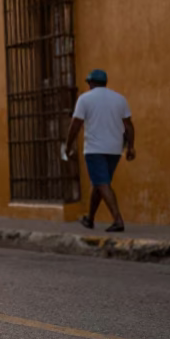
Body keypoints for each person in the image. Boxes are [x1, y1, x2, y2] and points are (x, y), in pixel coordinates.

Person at [64, 69, 135, 233]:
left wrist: (68, 146)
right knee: (99, 183)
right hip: (115, 149)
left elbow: (75, 124)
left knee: (102, 183)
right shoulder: (119, 99)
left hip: (95, 149)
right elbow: (129, 125)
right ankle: (90, 218)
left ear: (91, 83)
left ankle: (118, 220)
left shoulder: (84, 99)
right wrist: (131, 147)